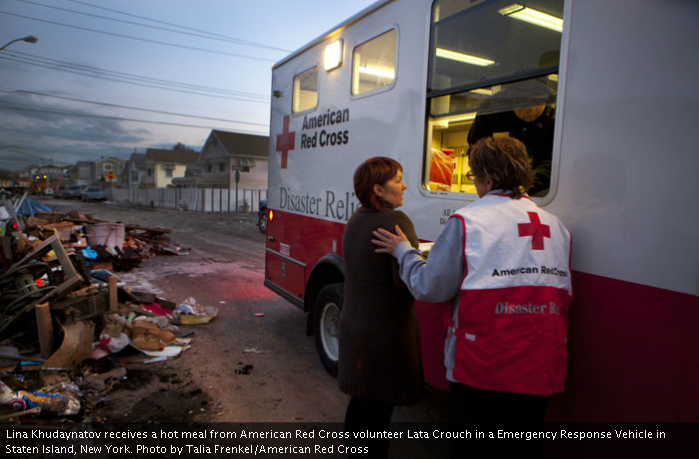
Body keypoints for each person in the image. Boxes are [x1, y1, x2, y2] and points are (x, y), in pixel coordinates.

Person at [372, 137, 572, 457]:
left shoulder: (468, 221)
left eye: (474, 176)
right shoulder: (555, 226)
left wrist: (403, 252)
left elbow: (429, 287)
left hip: (483, 365)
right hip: (539, 364)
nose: (474, 184)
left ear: (488, 179)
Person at [339, 157, 423, 458]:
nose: (404, 186)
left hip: (356, 329)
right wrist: (416, 257)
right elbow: (408, 284)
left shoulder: (356, 218)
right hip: (383, 337)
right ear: (378, 188)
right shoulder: (395, 222)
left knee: (362, 406)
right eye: (398, 180)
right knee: (376, 416)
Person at [467, 78, 555, 196]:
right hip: (497, 191)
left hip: (543, 192)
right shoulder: (491, 112)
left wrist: (527, 185)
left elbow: (555, 160)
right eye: (524, 104)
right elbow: (475, 149)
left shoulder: (553, 119)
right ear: (511, 101)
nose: (531, 110)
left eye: (537, 103)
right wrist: (490, 184)